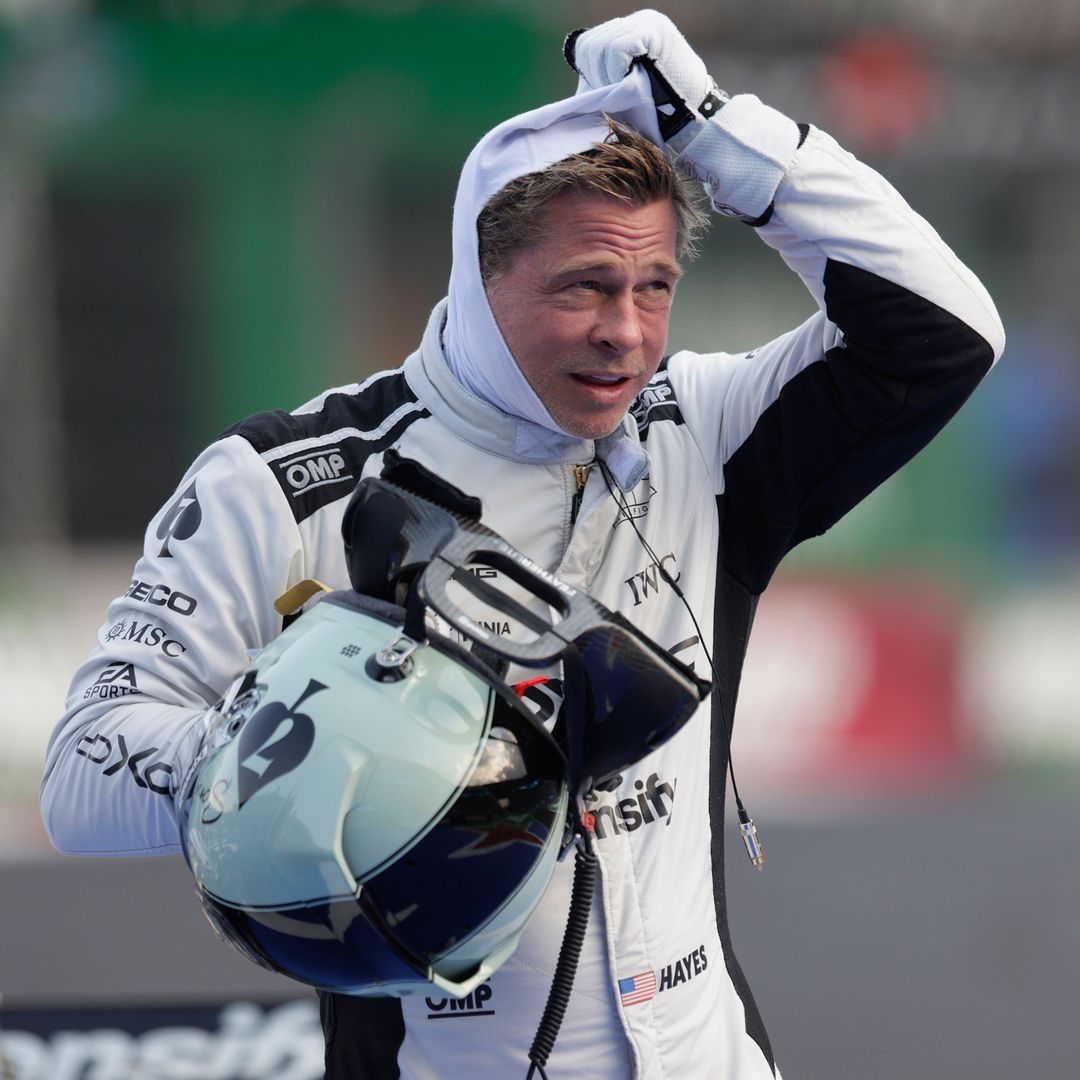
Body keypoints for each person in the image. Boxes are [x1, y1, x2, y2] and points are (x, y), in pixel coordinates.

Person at [40, 10, 1004, 1079]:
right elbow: (81, 783)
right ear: (479, 275)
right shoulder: (280, 483)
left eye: (654, 288)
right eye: (583, 285)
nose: (626, 332)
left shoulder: (707, 430)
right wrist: (322, 734)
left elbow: (946, 331)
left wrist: (717, 134)